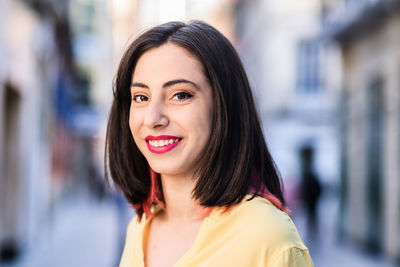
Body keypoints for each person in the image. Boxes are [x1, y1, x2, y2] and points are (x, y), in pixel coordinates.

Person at [105, 20, 313, 267]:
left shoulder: (268, 238)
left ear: (224, 107)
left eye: (180, 95)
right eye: (141, 97)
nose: (152, 118)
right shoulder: (139, 228)